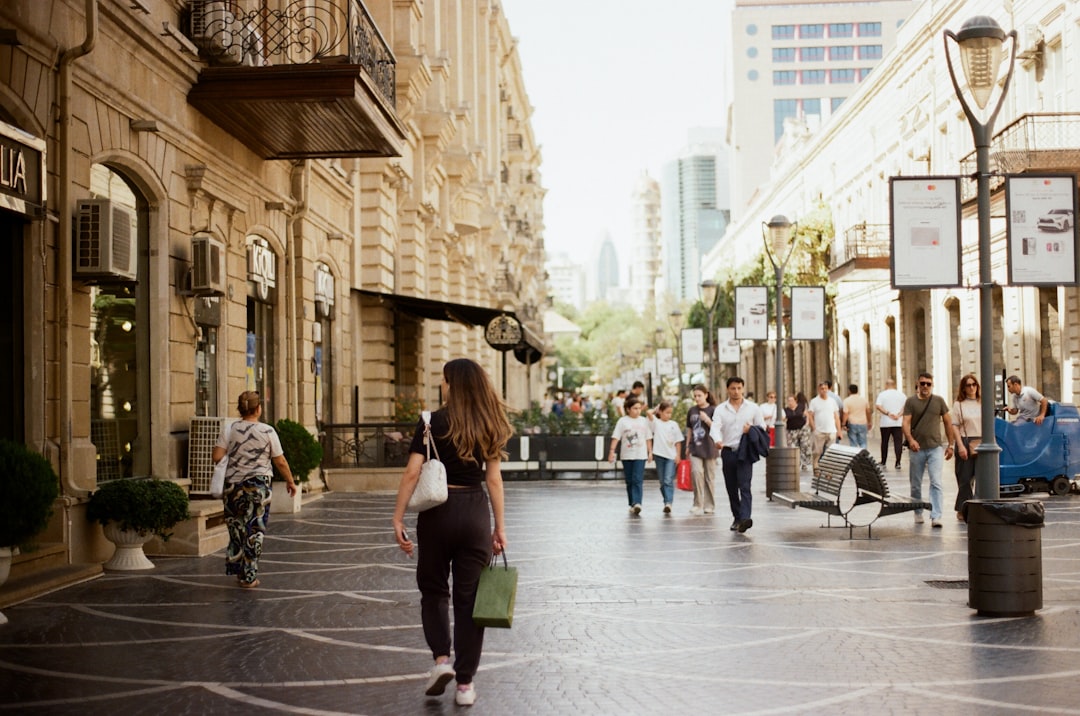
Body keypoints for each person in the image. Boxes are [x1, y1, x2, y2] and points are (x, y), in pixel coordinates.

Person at [392, 358, 512, 708]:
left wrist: (397, 516)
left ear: (453, 384)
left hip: (437, 512)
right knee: (470, 602)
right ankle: (465, 685)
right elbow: (494, 479)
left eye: (444, 380)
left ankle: (441, 660)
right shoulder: (490, 423)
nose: (441, 386)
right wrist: (499, 527)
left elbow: (412, 473)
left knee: (433, 590)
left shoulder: (431, 421)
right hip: (475, 513)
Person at [212, 390, 297, 589]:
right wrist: (290, 481)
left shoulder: (229, 428)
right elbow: (280, 461)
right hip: (258, 487)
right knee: (254, 530)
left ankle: (239, 570)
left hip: (233, 486)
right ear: (258, 409)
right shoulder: (268, 431)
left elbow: (217, 456)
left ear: (240, 409)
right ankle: (249, 576)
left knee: (237, 528)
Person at [709, 376, 765, 533]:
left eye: (739, 388)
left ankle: (745, 517)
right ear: (728, 389)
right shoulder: (721, 409)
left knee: (745, 485)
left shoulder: (753, 408)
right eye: (733, 388)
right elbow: (715, 427)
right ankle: (737, 517)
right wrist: (718, 440)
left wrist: (751, 429)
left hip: (745, 452)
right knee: (731, 487)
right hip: (728, 451)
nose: (736, 391)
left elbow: (762, 427)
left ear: (743, 388)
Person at [902, 372, 958, 528]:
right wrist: (911, 440)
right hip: (916, 448)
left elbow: (948, 422)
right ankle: (918, 511)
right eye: (923, 383)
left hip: (935, 448)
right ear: (917, 384)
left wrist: (951, 445)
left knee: (936, 482)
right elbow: (905, 423)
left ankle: (936, 515)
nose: (925, 386)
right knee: (915, 483)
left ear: (932, 385)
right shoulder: (911, 401)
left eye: (928, 384)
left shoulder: (939, 401)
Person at [608, 395, 653, 514]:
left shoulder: (644, 421)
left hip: (640, 455)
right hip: (627, 455)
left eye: (639, 408)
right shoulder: (622, 421)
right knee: (629, 480)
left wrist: (650, 452)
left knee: (637, 479)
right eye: (635, 408)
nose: (638, 411)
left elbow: (648, 437)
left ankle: (637, 503)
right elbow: (616, 437)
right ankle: (632, 502)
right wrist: (611, 452)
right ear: (628, 409)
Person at [951, 373, 982, 522]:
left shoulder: (982, 402)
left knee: (982, 478)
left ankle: (976, 508)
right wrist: (960, 445)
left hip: (981, 441)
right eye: (968, 385)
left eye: (974, 384)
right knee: (964, 478)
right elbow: (955, 426)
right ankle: (963, 509)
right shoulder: (959, 405)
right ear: (963, 388)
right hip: (965, 439)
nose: (972, 388)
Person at [684, 384, 718, 516]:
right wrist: (687, 446)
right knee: (696, 473)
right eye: (695, 396)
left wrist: (707, 420)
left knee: (710, 478)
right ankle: (697, 503)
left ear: (706, 395)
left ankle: (709, 505)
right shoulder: (692, 410)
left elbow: (718, 428)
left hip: (710, 447)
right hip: (695, 447)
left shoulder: (714, 410)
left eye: (699, 395)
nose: (697, 398)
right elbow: (689, 429)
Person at [649, 400, 684, 514]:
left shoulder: (674, 424)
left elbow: (678, 441)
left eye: (670, 413)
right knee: (662, 481)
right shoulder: (656, 423)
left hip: (671, 456)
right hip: (659, 455)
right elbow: (649, 413)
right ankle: (666, 500)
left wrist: (678, 455)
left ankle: (669, 502)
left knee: (668, 479)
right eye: (666, 412)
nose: (669, 415)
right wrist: (656, 409)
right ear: (660, 412)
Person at [807, 381, 842, 474]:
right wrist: (813, 428)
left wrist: (839, 431)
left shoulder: (832, 401)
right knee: (817, 452)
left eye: (826, 389)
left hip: (831, 430)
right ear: (819, 390)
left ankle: (828, 471)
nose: (824, 390)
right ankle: (816, 467)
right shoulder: (814, 401)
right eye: (822, 389)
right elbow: (810, 415)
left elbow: (836, 417)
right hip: (819, 430)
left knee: (830, 453)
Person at [875, 379, 907, 469]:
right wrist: (898, 415)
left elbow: (878, 406)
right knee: (898, 442)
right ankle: (898, 462)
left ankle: (883, 461)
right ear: (895, 385)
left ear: (886, 385)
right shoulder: (901, 395)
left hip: (885, 422)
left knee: (884, 442)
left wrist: (888, 413)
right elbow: (906, 406)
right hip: (898, 422)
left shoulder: (882, 394)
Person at [785, 392, 813, 471]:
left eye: (792, 400)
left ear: (795, 401)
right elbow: (784, 418)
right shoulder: (786, 410)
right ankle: (796, 463)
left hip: (802, 429)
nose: (790, 402)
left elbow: (807, 415)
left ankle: (804, 463)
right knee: (793, 447)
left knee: (804, 445)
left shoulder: (800, 407)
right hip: (791, 430)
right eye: (789, 401)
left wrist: (807, 424)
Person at [842, 384, 872, 449]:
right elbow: (868, 411)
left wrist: (843, 424)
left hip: (852, 423)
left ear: (849, 391)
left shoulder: (846, 401)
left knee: (853, 443)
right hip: (863, 422)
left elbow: (845, 413)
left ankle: (855, 457)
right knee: (863, 442)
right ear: (857, 391)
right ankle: (863, 456)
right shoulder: (864, 400)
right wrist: (869, 422)